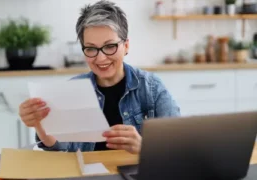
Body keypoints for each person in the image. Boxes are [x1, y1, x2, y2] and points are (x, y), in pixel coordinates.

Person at [19, 0, 180, 154]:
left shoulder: (151, 88)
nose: (101, 58)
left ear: (126, 46)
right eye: (91, 48)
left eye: (110, 46)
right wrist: (40, 124)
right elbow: (60, 146)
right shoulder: (73, 90)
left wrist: (144, 147)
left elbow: (179, 146)